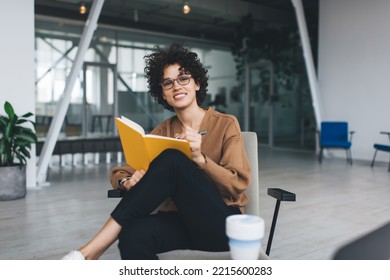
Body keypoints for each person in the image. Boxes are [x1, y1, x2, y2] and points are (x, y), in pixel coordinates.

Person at [62, 42, 251, 260]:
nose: (176, 86)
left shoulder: (226, 124)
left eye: (183, 78)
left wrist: (200, 159)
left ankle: (89, 252)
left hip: (222, 226)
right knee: (133, 235)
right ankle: (92, 252)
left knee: (173, 158)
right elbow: (121, 171)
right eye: (168, 83)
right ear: (162, 92)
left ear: (197, 83)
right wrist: (128, 182)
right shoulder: (163, 130)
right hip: (181, 222)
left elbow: (238, 184)